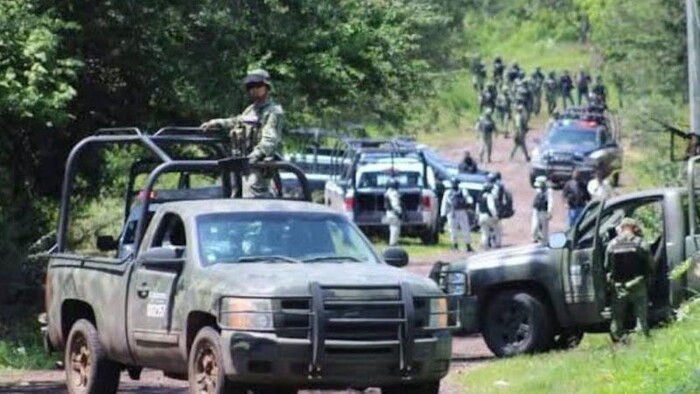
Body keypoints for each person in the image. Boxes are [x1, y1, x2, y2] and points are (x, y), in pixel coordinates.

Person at [200, 69, 284, 197]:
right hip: (243, 164)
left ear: (267, 87)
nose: (253, 89)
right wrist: (217, 123)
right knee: (235, 196)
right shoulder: (251, 109)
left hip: (259, 166)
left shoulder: (273, 111)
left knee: (254, 199)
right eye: (250, 86)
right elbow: (236, 121)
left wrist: (254, 157)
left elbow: (269, 140)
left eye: (257, 85)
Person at [605, 217, 653, 343]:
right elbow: (650, 265)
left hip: (618, 286)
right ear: (634, 228)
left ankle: (620, 339)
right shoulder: (641, 243)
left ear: (621, 228)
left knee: (617, 317)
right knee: (641, 315)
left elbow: (607, 266)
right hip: (638, 283)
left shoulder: (612, 244)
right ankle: (642, 339)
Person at [441, 179, 474, 252]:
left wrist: (443, 214)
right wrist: (469, 204)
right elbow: (469, 199)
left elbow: (444, 204)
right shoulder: (462, 191)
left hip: (451, 212)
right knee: (465, 228)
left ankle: (455, 246)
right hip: (461, 211)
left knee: (453, 230)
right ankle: (468, 245)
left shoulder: (448, 192)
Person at [477, 182, 500, 250]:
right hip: (488, 216)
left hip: (481, 216)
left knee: (484, 233)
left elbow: (477, 208)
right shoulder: (489, 196)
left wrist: (477, 216)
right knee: (497, 229)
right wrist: (495, 216)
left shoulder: (480, 196)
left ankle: (485, 246)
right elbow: (491, 207)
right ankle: (497, 244)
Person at [531, 176, 553, 243]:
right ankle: (534, 237)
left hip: (544, 211)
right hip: (536, 210)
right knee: (535, 225)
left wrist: (549, 211)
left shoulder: (548, 191)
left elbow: (550, 201)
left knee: (544, 227)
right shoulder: (538, 190)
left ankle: (545, 240)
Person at [384, 178, 403, 246]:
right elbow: (395, 204)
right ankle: (393, 243)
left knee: (392, 228)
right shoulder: (394, 193)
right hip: (393, 212)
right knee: (395, 228)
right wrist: (399, 212)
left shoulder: (387, 192)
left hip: (389, 212)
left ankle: (393, 242)